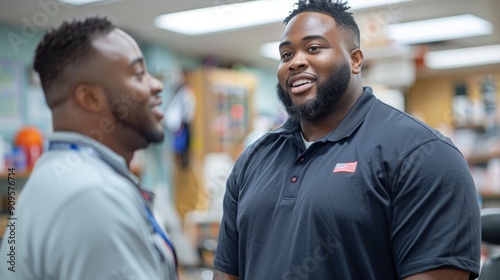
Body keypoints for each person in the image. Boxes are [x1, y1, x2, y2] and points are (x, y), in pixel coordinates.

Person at [212, 0, 481, 279]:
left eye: (313, 48)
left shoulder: (423, 155)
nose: (295, 62)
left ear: (355, 60)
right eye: (286, 55)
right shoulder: (253, 159)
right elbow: (226, 272)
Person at [0, 17, 177, 280]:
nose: (156, 85)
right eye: (139, 74)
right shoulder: (94, 195)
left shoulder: (56, 175)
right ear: (90, 98)